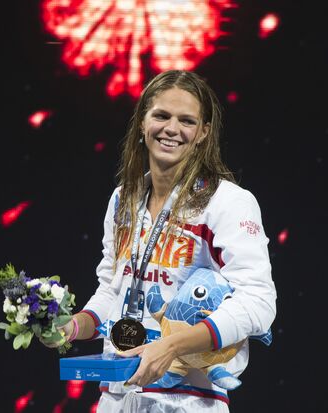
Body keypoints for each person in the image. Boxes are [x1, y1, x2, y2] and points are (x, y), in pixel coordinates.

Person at [45, 70, 277, 412]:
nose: (172, 129)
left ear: (203, 133)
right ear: (142, 122)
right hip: (118, 396)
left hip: (188, 400)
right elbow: (113, 289)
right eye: (161, 116)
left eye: (186, 121)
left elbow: (259, 302)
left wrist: (171, 345)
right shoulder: (123, 199)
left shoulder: (227, 202)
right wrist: (74, 326)